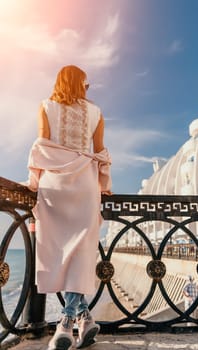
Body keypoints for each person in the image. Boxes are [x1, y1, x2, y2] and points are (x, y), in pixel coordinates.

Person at [25, 65, 112, 350]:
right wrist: (104, 182)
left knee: (59, 251)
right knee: (81, 254)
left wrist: (34, 180)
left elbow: (42, 145)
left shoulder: (45, 106)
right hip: (85, 186)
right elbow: (99, 151)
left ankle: (65, 322)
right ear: (82, 85)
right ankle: (83, 320)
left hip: (55, 186)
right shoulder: (96, 113)